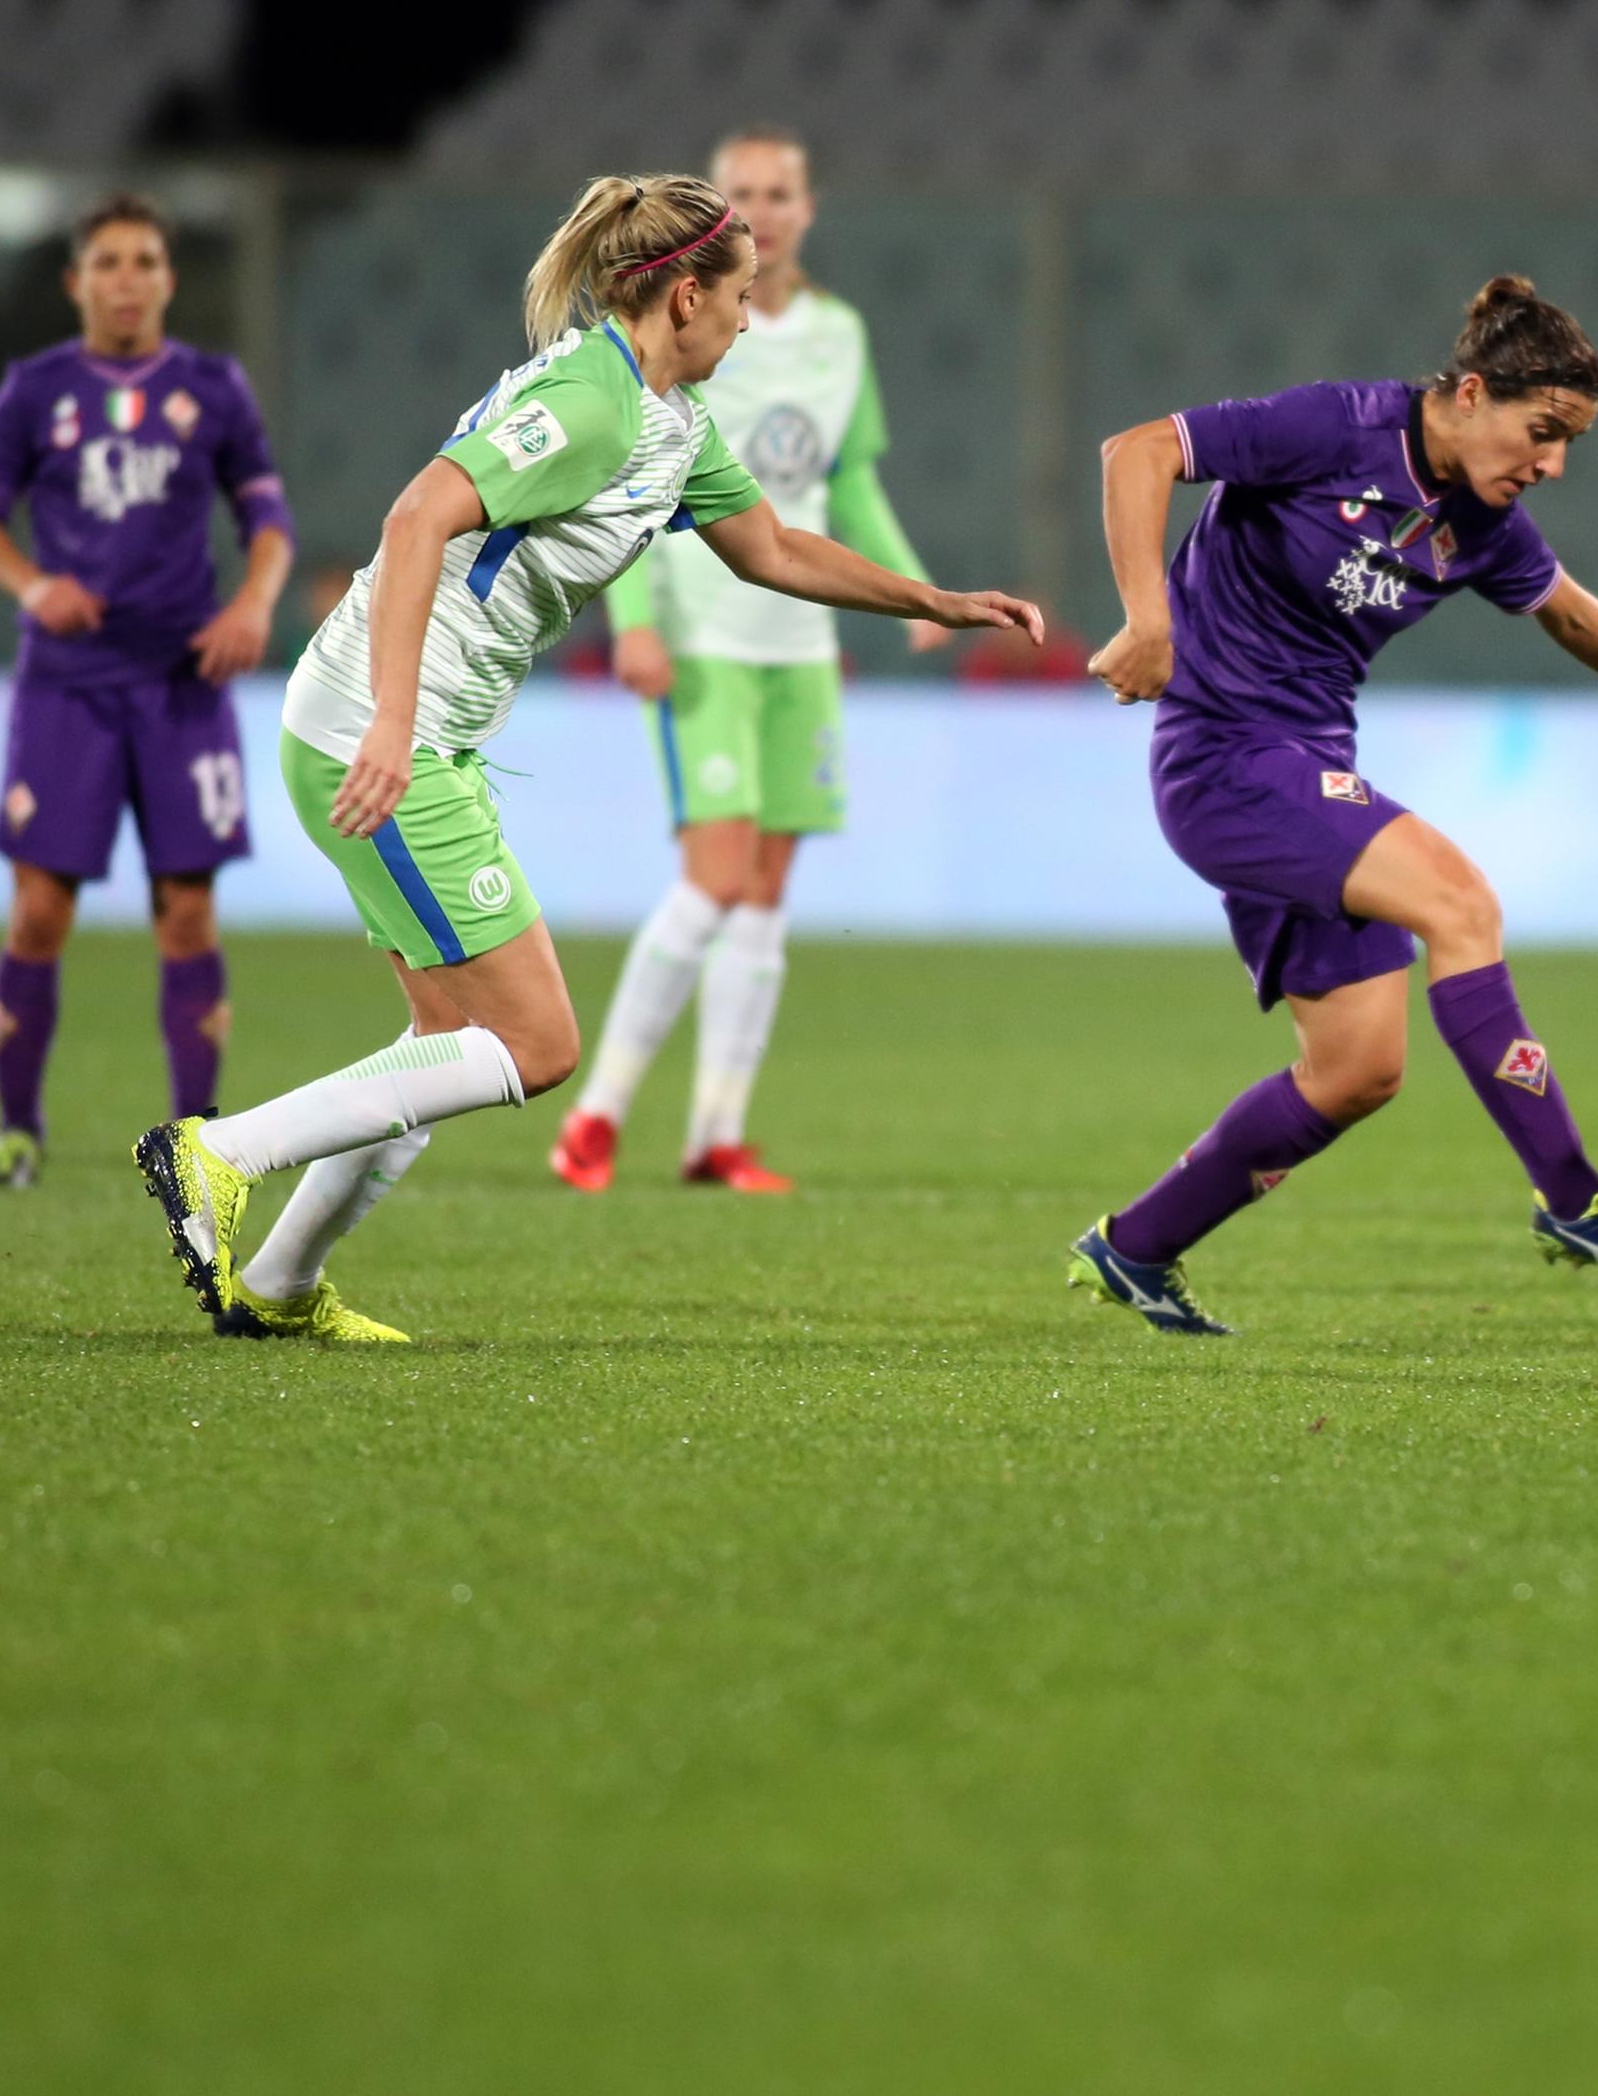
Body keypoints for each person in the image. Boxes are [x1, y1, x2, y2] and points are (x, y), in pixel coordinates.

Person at [130, 176, 1040, 1345]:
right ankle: (216, 1153)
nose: (750, 321)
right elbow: (417, 518)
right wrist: (395, 725)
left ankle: (282, 1284)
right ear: (684, 295)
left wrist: (938, 601)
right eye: (741, 297)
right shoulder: (594, 403)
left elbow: (768, 546)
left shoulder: (668, 421)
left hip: (420, 733)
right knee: (536, 1043)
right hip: (377, 728)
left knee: (444, 1041)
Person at [1067, 276, 1598, 1336]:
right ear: (1470, 393)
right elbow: (1136, 450)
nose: (1551, 463)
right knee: (1462, 905)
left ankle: (1136, 1246)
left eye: (1569, 444)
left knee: (1358, 1068)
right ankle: (1574, 1197)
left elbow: (1567, 614)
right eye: (1543, 430)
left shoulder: (1481, 518)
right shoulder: (1336, 427)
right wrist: (1148, 618)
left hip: (1305, 769)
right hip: (1227, 759)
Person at [555, 129, 943, 1194]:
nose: (762, 211)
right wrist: (631, 617)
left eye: (779, 193)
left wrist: (917, 593)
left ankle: (715, 1133)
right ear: (709, 214)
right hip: (703, 635)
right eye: (741, 194)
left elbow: (846, 483)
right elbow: (629, 468)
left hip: (797, 644)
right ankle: (594, 1116)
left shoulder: (840, 335)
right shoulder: (684, 321)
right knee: (715, 876)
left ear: (809, 209)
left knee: (766, 892)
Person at [0, 194, 292, 1188]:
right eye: (107, 262)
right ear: (76, 281)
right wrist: (34, 584)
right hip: (68, 687)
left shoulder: (215, 388)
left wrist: (255, 603)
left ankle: (194, 1148)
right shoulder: (34, 389)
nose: (128, 278)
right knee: (38, 913)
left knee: (187, 914)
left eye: (145, 259)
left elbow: (268, 518)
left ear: (169, 278)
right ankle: (17, 1130)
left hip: (184, 681)